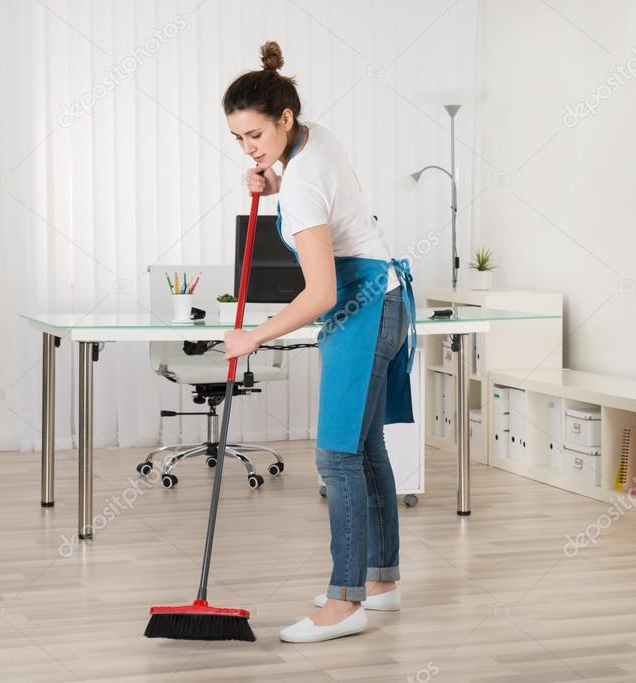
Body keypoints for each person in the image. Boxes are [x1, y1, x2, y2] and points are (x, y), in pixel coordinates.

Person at [222, 41, 417, 643]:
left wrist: (252, 336)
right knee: (365, 448)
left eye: (255, 135)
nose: (250, 148)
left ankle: (343, 602)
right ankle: (378, 582)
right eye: (238, 140)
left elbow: (320, 294)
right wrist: (273, 177)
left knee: (336, 454)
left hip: (360, 307)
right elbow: (318, 193)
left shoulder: (302, 182)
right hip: (388, 296)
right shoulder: (315, 136)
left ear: (283, 120)